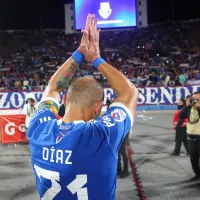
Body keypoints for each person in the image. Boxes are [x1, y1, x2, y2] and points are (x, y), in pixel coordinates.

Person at [27, 14, 138, 200]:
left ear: (64, 102)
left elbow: (53, 87)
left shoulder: (38, 128)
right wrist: (95, 58)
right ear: (98, 107)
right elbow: (129, 91)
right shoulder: (103, 134)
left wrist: (78, 54)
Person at [180, 92, 200, 181]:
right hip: (191, 133)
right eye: (193, 99)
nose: (195, 101)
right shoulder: (189, 108)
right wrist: (186, 106)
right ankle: (198, 174)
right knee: (193, 157)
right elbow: (181, 116)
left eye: (197, 99)